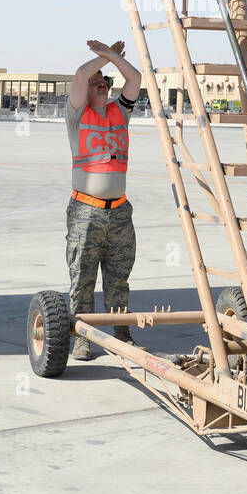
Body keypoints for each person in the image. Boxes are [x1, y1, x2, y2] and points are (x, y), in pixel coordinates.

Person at [65, 39, 142, 361]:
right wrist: (102, 59)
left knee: (118, 276)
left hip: (119, 211)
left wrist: (110, 57)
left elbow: (136, 79)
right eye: (97, 83)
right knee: (82, 277)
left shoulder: (119, 113)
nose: (101, 84)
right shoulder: (77, 115)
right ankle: (83, 336)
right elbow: (81, 74)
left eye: (105, 82)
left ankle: (122, 332)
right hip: (86, 209)